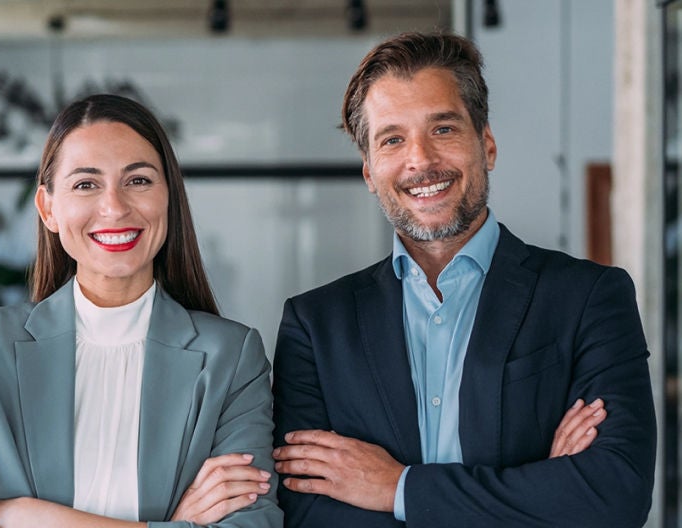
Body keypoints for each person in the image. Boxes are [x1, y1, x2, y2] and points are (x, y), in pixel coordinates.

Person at [271, 32, 656, 527]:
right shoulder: (314, 325)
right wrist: (538, 487)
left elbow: (614, 495)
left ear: (487, 145)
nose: (421, 160)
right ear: (369, 171)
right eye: (392, 139)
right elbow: (308, 516)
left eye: (444, 129)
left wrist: (396, 488)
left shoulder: (590, 298)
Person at [0, 94, 282, 528]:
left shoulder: (231, 358)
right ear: (48, 208)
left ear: (169, 198)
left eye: (138, 180)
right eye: (86, 184)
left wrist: (30, 518)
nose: (115, 207)